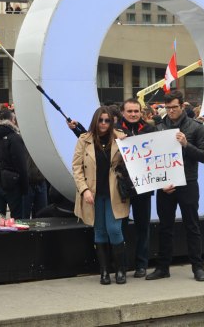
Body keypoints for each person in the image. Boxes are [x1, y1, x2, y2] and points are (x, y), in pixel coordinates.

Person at [146, 90, 204, 282]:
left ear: (182, 106)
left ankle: (198, 268)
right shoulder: (158, 127)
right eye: (167, 108)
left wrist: (186, 144)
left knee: (192, 226)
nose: (171, 111)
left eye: (174, 107)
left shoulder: (196, 127)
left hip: (188, 183)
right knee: (165, 227)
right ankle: (163, 267)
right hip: (165, 184)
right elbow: (150, 157)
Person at [72, 107, 130, 285]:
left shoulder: (121, 138)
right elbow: (77, 167)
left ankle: (120, 269)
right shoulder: (84, 139)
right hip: (93, 193)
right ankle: (104, 272)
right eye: (101, 120)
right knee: (100, 231)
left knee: (114, 229)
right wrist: (84, 190)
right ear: (95, 121)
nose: (104, 124)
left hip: (115, 191)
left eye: (107, 120)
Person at [117, 98, 156, 278]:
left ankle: (142, 265)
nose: (133, 114)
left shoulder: (150, 130)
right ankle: (121, 266)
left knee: (143, 227)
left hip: (144, 185)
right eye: (130, 111)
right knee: (121, 228)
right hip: (121, 186)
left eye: (136, 111)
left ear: (141, 112)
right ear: (123, 112)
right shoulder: (114, 130)